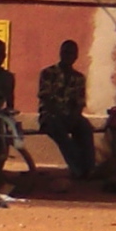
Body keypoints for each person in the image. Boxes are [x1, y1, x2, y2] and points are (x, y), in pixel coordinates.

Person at [37, 39, 95, 179]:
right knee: (61, 133)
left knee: (85, 128)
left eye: (71, 53)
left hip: (70, 116)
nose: (68, 56)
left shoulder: (79, 78)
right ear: (60, 53)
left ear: (76, 56)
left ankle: (90, 168)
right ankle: (78, 169)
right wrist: (59, 115)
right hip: (50, 116)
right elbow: (46, 98)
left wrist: (74, 117)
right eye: (65, 52)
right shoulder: (48, 73)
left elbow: (79, 102)